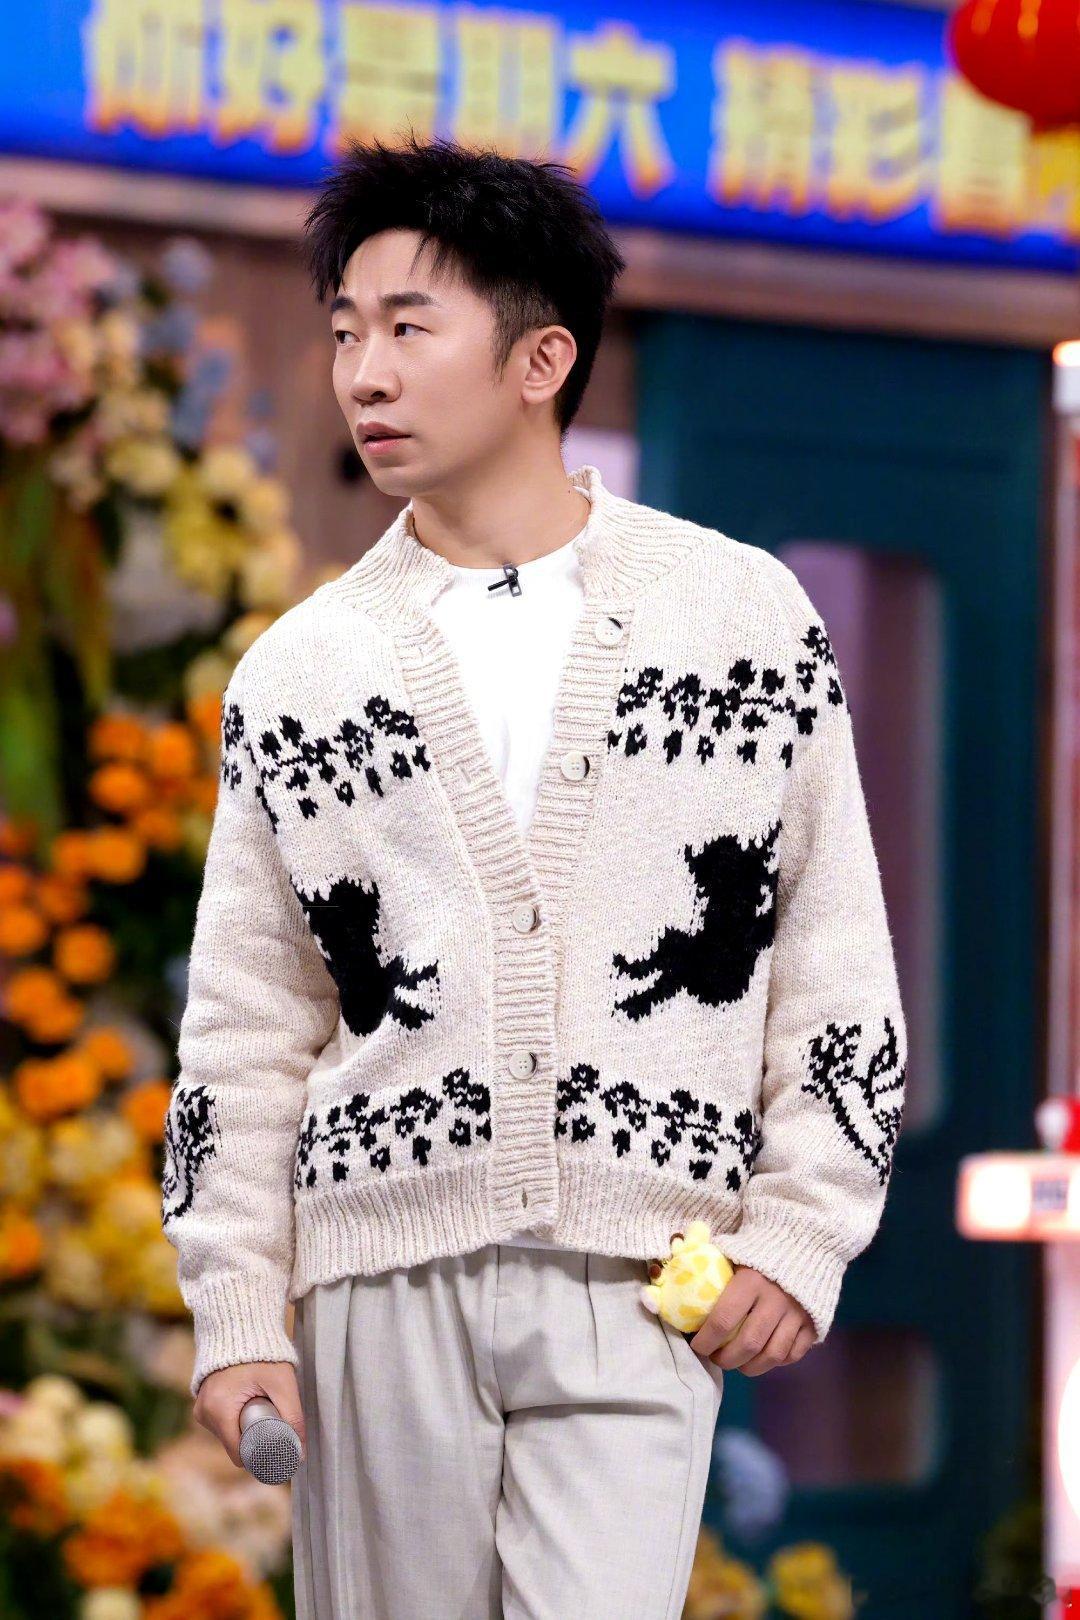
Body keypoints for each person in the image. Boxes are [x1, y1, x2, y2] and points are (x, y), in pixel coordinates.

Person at [160, 132, 908, 1619]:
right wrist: (237, 1307)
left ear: (541, 359)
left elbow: (833, 952)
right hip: (377, 1282)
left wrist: (805, 1227)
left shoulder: (741, 618)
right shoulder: (302, 671)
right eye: (345, 333)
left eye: (408, 328)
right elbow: (244, 1025)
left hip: (644, 1281)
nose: (364, 374)